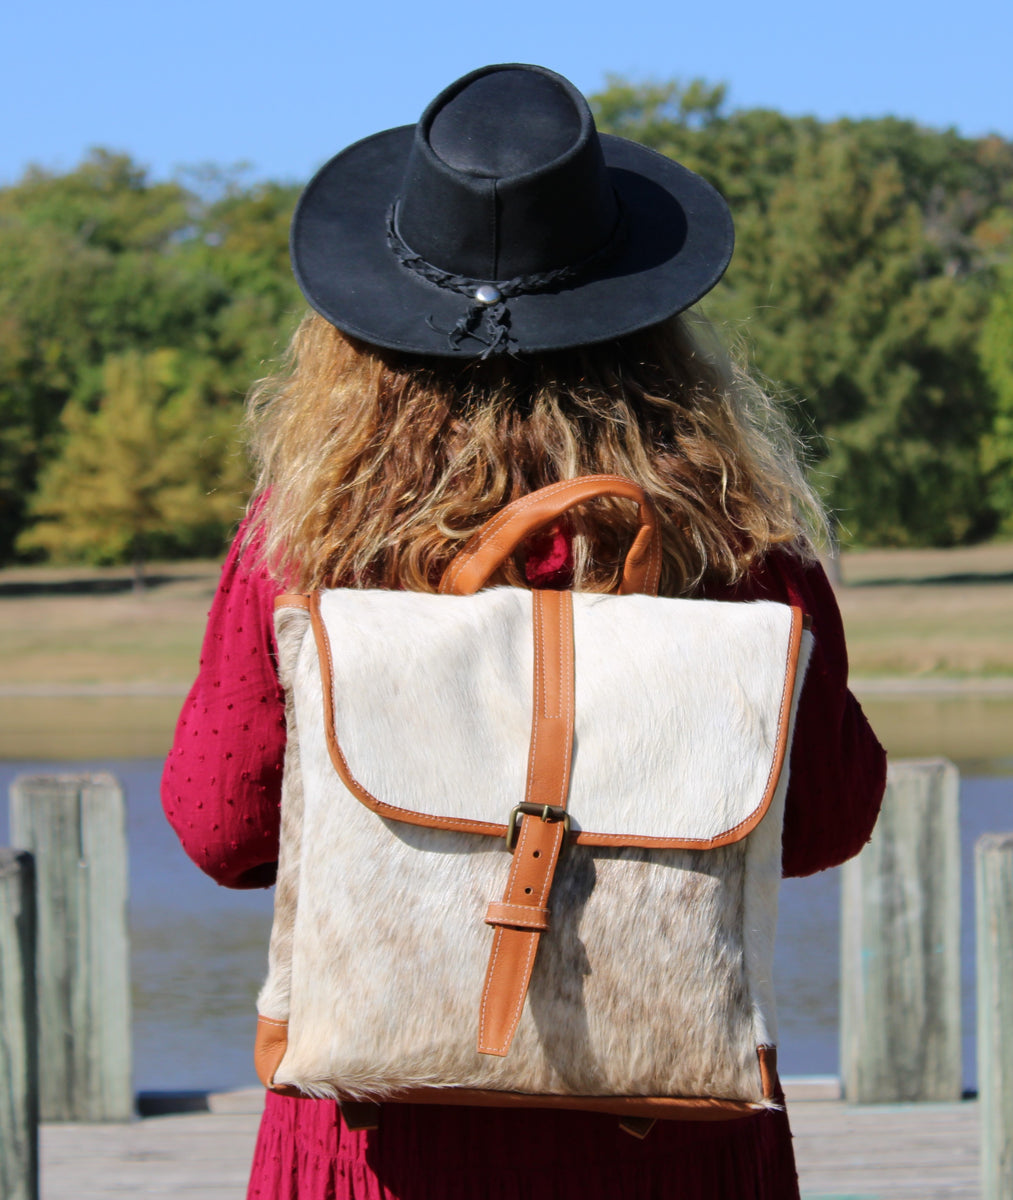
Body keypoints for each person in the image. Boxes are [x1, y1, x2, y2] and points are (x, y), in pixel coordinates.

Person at [162, 63, 886, 1200]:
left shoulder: (306, 542)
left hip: (378, 1142)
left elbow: (221, 826)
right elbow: (825, 822)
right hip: (668, 1131)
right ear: (652, 331)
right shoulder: (739, 546)